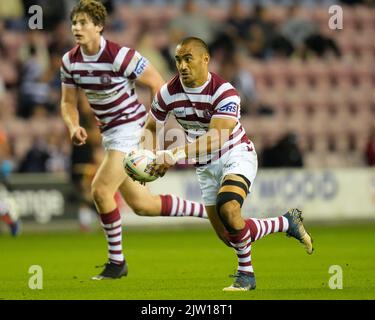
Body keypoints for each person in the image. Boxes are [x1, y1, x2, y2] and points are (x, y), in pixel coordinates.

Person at [145, 37, 314, 291]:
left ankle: (246, 276)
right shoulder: (168, 92)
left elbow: (217, 138)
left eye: (188, 58)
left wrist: (173, 154)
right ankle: (286, 222)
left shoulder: (224, 92)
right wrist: (148, 158)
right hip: (204, 166)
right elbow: (150, 126)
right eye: (178, 59)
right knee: (230, 235)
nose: (181, 65)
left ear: (205, 59)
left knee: (229, 207)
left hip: (235, 154)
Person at [60, 0, 208, 281]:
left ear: (99, 26)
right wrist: (73, 125)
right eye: (74, 23)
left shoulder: (120, 56)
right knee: (143, 205)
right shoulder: (70, 62)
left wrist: (153, 132)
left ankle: (117, 263)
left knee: (101, 191)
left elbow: (157, 84)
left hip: (131, 129)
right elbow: (67, 102)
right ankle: (209, 211)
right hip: (109, 134)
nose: (77, 28)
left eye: (83, 23)